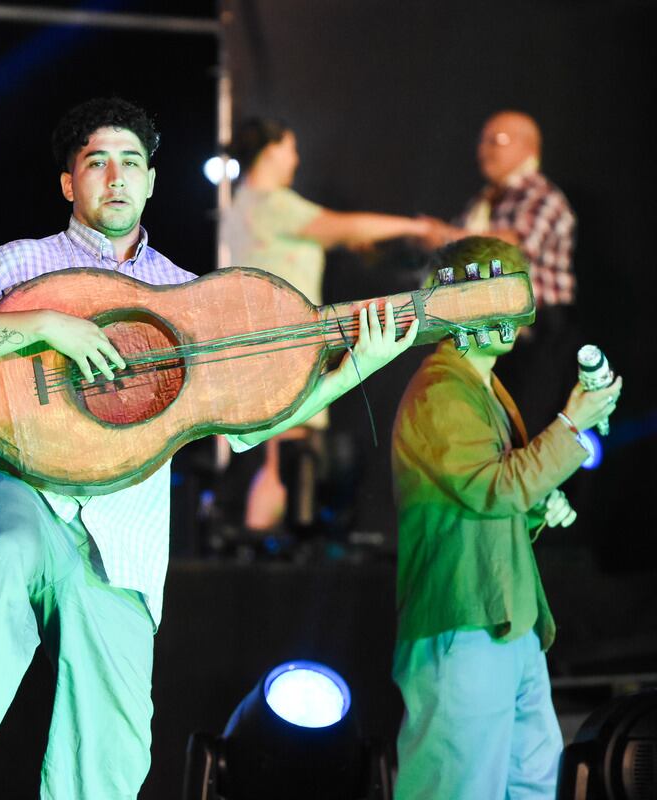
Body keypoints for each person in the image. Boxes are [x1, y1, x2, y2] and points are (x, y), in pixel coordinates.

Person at [0, 96, 420, 800]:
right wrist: (47, 327)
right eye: (97, 162)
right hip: (12, 479)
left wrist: (360, 366)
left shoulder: (188, 295)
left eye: (132, 163)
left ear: (152, 180)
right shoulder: (19, 262)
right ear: (70, 182)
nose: (116, 177)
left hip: (124, 525)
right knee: (9, 555)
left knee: (113, 731)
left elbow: (250, 423)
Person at [389, 236, 620, 800]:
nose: (515, 311)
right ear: (457, 303)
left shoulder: (484, 389)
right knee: (459, 788)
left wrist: (540, 502)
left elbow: (495, 495)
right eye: (497, 292)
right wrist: (571, 424)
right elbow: (496, 488)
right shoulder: (441, 390)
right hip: (463, 621)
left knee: (533, 786)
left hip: (506, 622)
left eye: (518, 292)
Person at [218, 116, 441, 536]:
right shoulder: (271, 203)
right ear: (272, 149)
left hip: (261, 343)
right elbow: (340, 226)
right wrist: (418, 227)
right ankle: (267, 546)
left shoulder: (245, 205)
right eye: (291, 147)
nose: (296, 158)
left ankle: (261, 543)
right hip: (282, 345)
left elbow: (330, 234)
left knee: (274, 450)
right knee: (282, 452)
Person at [427, 110, 578, 435]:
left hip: (534, 333)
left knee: (524, 427)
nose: (487, 149)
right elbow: (453, 254)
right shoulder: (482, 204)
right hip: (487, 327)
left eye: (499, 140)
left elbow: (511, 247)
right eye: (483, 141)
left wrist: (440, 234)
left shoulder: (541, 195)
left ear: (528, 148)